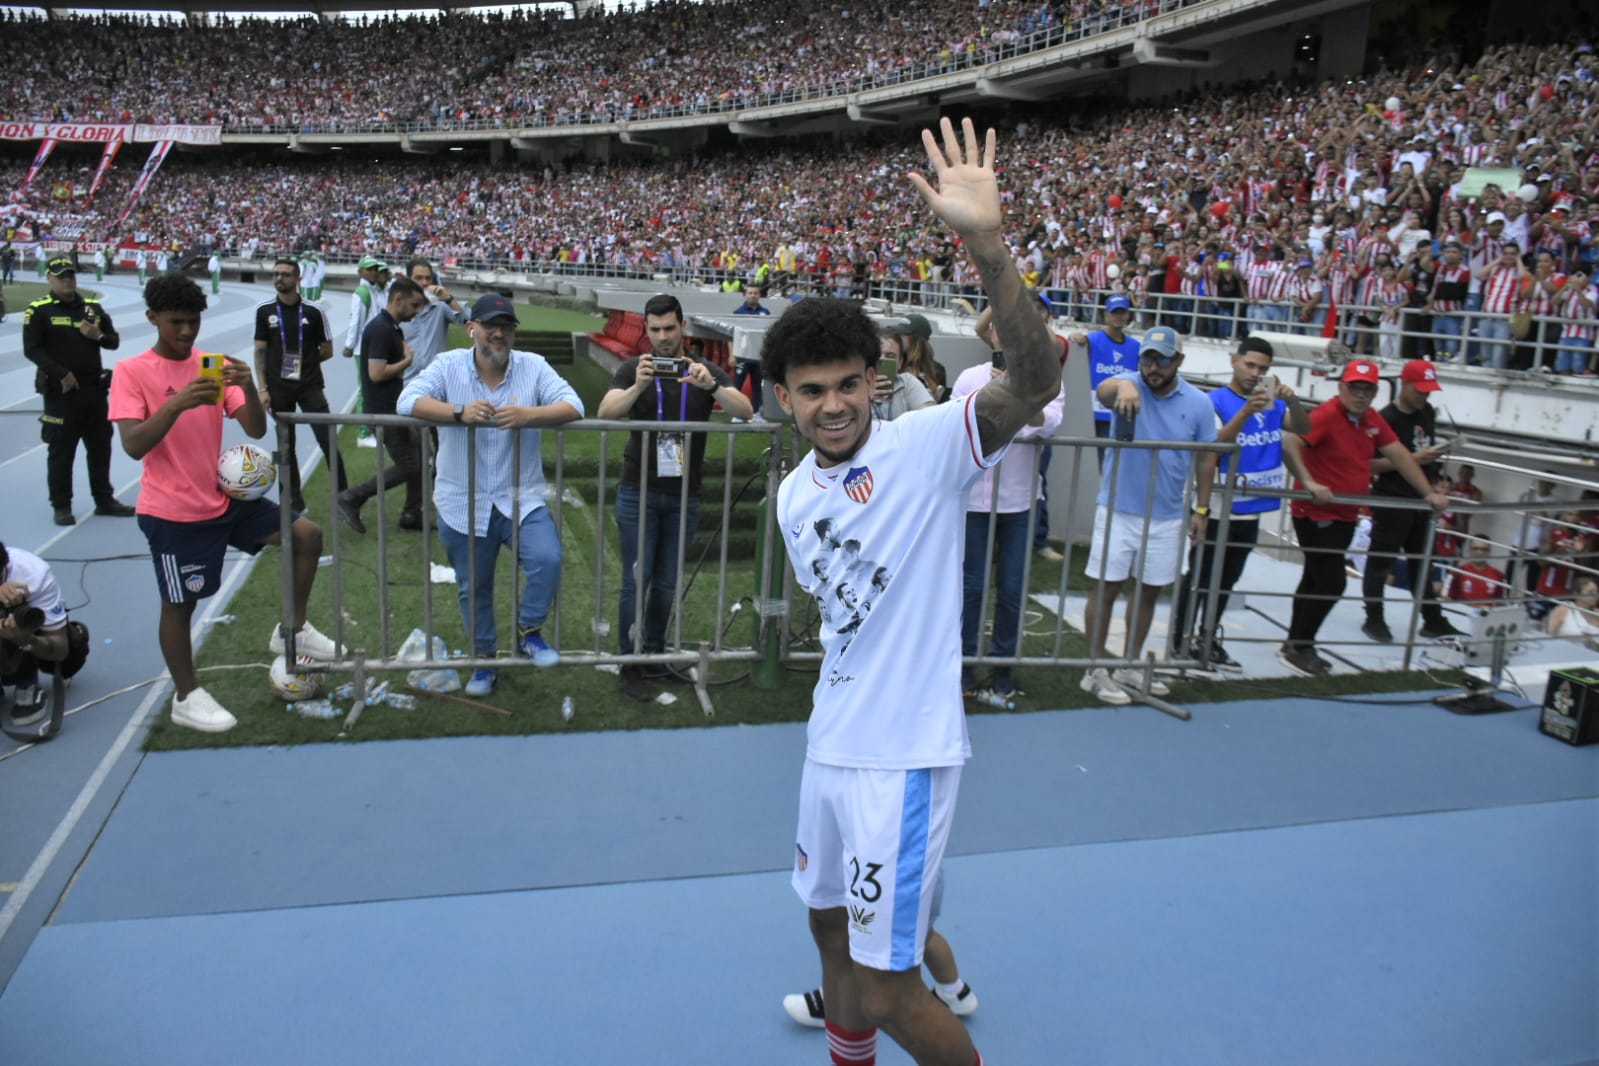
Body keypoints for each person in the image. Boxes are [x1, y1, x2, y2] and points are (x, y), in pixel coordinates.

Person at [764, 117, 1057, 1066]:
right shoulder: (790, 496)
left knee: (889, 989)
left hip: (903, 760)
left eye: (849, 383)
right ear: (784, 399)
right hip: (830, 747)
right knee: (827, 942)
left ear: (876, 380)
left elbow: (1036, 375)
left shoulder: (929, 444)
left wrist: (984, 243)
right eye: (812, 391)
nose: (834, 404)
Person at [108, 274, 341, 733]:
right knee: (180, 605)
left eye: (193, 322)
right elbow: (134, 445)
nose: (187, 332)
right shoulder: (132, 372)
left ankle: (290, 629)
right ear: (153, 318)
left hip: (223, 499)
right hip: (172, 512)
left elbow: (255, 429)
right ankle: (186, 695)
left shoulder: (211, 365)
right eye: (176, 323)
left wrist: (249, 386)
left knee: (306, 536)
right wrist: (176, 405)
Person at [395, 294, 583, 698]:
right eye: (490, 325)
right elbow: (406, 400)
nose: (498, 333)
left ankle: (528, 631)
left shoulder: (532, 366)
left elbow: (575, 405)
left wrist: (529, 415)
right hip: (462, 499)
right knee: (474, 588)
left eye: (507, 326)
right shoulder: (448, 365)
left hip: (521, 496)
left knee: (547, 558)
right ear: (471, 328)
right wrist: (458, 413)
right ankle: (484, 663)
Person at [595, 293, 752, 703]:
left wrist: (713, 385)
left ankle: (653, 655)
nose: (663, 337)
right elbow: (606, 412)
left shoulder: (703, 370)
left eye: (669, 328)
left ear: (683, 327)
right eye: (655, 329)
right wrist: (640, 386)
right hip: (638, 491)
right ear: (646, 330)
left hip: (685, 494)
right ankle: (629, 661)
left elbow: (746, 410)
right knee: (636, 581)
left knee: (665, 583)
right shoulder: (635, 367)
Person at [1278, 359, 1448, 677]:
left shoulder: (1369, 419)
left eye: (1367, 388)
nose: (1360, 394)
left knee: (1315, 579)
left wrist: (1427, 493)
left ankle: (1296, 643)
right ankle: (1299, 646)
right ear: (1342, 387)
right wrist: (1310, 482)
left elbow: (1398, 454)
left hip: (1343, 513)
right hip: (1316, 512)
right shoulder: (1329, 414)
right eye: (1354, 387)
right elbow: (1290, 442)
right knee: (1331, 581)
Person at [1080, 325, 1217, 705]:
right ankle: (1094, 669)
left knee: (1149, 592)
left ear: (1179, 361)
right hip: (1118, 509)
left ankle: (1127, 664)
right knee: (1106, 587)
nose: (1153, 366)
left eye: (1162, 359)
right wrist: (1123, 387)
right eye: (1148, 358)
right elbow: (1106, 391)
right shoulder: (1128, 381)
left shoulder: (1199, 402)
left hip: (1169, 514)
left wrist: (1201, 510)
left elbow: (1207, 457)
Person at [1169, 335, 1309, 669]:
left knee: (1228, 578)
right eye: (1250, 364)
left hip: (1252, 504)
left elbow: (1305, 427)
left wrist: (1293, 402)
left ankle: (1207, 637)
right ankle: (1180, 640)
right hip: (1216, 503)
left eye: (1263, 368)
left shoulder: (1273, 403)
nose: (1255, 372)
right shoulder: (1214, 400)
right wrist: (1246, 412)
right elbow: (1215, 444)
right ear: (1234, 361)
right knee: (1201, 574)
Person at [953, 327, 1064, 705]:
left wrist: (1020, 398)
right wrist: (994, 395)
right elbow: (959, 425)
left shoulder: (1047, 381)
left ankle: (1003, 667)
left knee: (1013, 591)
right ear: (994, 338)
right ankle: (963, 665)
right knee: (970, 588)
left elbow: (1048, 425)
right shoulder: (970, 377)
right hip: (975, 501)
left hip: (1020, 503)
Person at [22, 255, 137, 526]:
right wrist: (61, 373)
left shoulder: (92, 308)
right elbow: (32, 349)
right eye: (61, 276)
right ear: (49, 278)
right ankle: (61, 505)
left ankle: (104, 499)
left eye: (71, 275)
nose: (67, 280)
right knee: (62, 451)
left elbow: (113, 342)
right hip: (60, 394)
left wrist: (97, 335)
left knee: (100, 448)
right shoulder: (39, 310)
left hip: (94, 391)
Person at [1359, 359, 1464, 643]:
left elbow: (1419, 448)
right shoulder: (1385, 418)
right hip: (1393, 497)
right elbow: (1368, 464)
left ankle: (1432, 619)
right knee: (1381, 561)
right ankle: (1374, 617)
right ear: (1404, 385)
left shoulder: (1426, 412)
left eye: (1428, 391)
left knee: (1422, 561)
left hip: (1420, 496)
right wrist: (1412, 460)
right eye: (1419, 390)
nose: (1424, 396)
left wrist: (1429, 460)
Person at [337, 277, 429, 534]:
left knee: (423, 458)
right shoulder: (381, 328)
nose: (416, 311)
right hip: (384, 410)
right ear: (398, 299)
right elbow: (376, 373)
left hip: (394, 407)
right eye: (414, 305)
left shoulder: (391, 327)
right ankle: (352, 497)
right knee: (410, 465)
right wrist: (406, 362)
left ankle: (412, 513)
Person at [253, 257, 344, 513]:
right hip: (278, 388)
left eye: (285, 274)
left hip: (310, 387)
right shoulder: (264, 311)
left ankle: (344, 496)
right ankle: (292, 499)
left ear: (297, 279)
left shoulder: (314, 312)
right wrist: (262, 388)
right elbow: (260, 352)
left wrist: (307, 365)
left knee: (328, 441)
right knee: (285, 445)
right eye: (276, 274)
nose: (279, 278)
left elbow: (327, 350)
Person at [0, 540, 72, 729]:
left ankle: (26, 682)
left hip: (23, 636)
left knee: (15, 607)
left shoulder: (33, 574)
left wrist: (25, 639)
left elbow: (60, 649)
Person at [1067, 293, 1139, 454]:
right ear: (1106, 315)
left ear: (1128, 314)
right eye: (1114, 312)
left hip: (1119, 414)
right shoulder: (1093, 340)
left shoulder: (1135, 347)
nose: (1118, 317)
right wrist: (1074, 337)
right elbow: (1075, 342)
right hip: (1092, 414)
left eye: (1122, 312)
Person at [400, 258, 467, 386]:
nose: (424, 283)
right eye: (418, 278)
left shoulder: (441, 306)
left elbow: (469, 323)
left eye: (428, 278)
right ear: (408, 280)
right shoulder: (399, 309)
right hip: (406, 382)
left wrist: (448, 299)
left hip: (436, 382)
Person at [870, 328, 936, 421]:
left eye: (890, 356)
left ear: (900, 362)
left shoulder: (907, 383)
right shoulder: (857, 387)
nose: (881, 360)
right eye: (877, 355)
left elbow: (931, 416)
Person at [1545, 574, 1599, 650]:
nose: (1595, 595)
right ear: (1577, 593)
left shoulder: (1597, 614)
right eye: (1590, 592)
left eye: (1596, 592)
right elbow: (1549, 634)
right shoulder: (1563, 609)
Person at [1444, 539, 1507, 603]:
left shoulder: (1499, 576)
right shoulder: (1457, 573)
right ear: (1470, 550)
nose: (1479, 552)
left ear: (1489, 552)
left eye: (1483, 549)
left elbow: (1501, 604)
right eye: (1475, 548)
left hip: (1487, 612)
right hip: (1462, 612)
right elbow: (1447, 599)